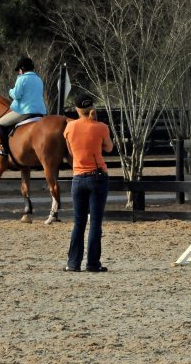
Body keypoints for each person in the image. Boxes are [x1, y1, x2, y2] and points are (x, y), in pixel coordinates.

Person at [63, 93, 113, 272]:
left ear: (77, 109)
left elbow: (71, 151)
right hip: (97, 176)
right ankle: (92, 263)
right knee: (95, 222)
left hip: (78, 178)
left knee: (78, 223)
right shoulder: (101, 127)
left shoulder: (69, 128)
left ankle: (73, 263)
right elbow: (109, 147)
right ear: (92, 108)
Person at [0, 57, 47, 157]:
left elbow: (17, 95)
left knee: (0, 123)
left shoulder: (22, 78)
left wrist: (10, 91)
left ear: (22, 68)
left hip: (25, 111)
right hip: (40, 112)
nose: (18, 72)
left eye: (18, 69)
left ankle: (4, 150)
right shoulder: (38, 79)